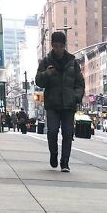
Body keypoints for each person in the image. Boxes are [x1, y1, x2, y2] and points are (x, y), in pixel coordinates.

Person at [35, 31, 85, 173]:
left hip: (69, 105)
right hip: (52, 104)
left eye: (60, 46)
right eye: (55, 46)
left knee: (68, 133)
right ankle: (54, 154)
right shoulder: (46, 61)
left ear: (64, 46)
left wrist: (76, 97)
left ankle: (65, 162)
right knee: (52, 131)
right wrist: (46, 74)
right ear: (52, 45)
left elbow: (80, 83)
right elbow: (38, 81)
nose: (58, 49)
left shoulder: (73, 63)